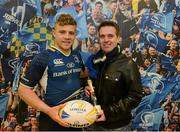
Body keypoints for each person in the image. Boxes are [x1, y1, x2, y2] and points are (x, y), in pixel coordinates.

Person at [18, 14, 87, 131]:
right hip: (52, 120)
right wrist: (49, 111)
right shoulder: (42, 58)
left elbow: (80, 75)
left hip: (77, 118)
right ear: (54, 33)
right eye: (62, 32)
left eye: (71, 33)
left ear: (75, 35)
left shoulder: (76, 55)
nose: (67, 36)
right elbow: (23, 90)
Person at [85, 21, 143, 131]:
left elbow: (135, 96)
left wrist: (108, 112)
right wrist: (88, 88)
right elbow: (93, 85)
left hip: (118, 127)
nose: (106, 40)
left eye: (110, 36)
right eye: (102, 36)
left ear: (118, 38)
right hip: (93, 123)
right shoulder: (94, 60)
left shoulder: (128, 64)